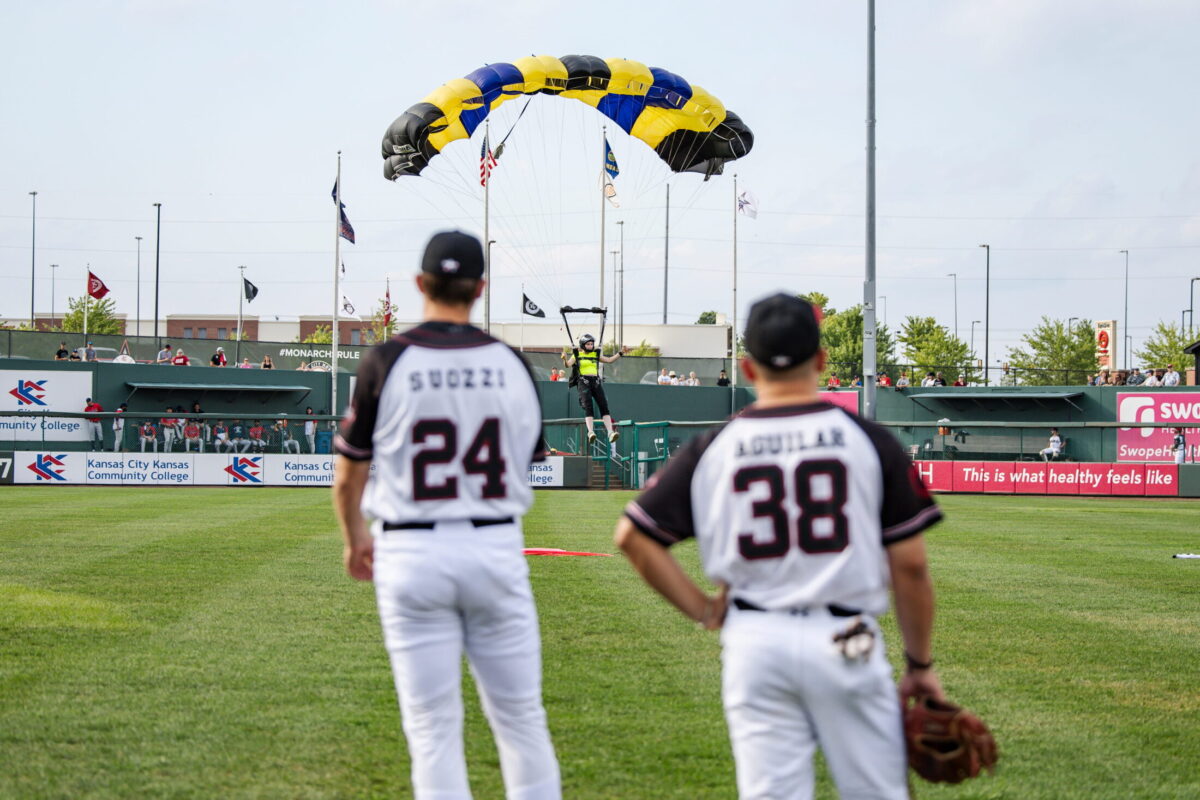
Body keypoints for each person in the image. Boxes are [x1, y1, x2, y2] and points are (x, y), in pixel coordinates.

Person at [613, 293, 943, 800]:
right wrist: (919, 666)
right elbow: (912, 568)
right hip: (846, 640)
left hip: (756, 642)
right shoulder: (869, 440)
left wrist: (704, 610)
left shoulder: (714, 447)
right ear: (822, 360)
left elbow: (633, 536)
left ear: (748, 368)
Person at [332, 230, 561, 800]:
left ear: (420, 283)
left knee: (432, 728)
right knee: (521, 719)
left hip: (411, 550)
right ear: (480, 288)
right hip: (493, 546)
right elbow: (527, 459)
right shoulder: (511, 362)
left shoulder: (386, 360)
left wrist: (355, 536)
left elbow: (349, 474)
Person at [563, 333, 623, 444]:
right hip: (583, 382)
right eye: (588, 344)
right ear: (583, 345)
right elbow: (567, 365)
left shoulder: (595, 354)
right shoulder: (577, 355)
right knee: (588, 406)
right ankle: (590, 432)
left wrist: (620, 353)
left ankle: (610, 432)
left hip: (595, 381)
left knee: (604, 406)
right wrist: (564, 359)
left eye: (591, 344)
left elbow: (609, 360)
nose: (590, 346)